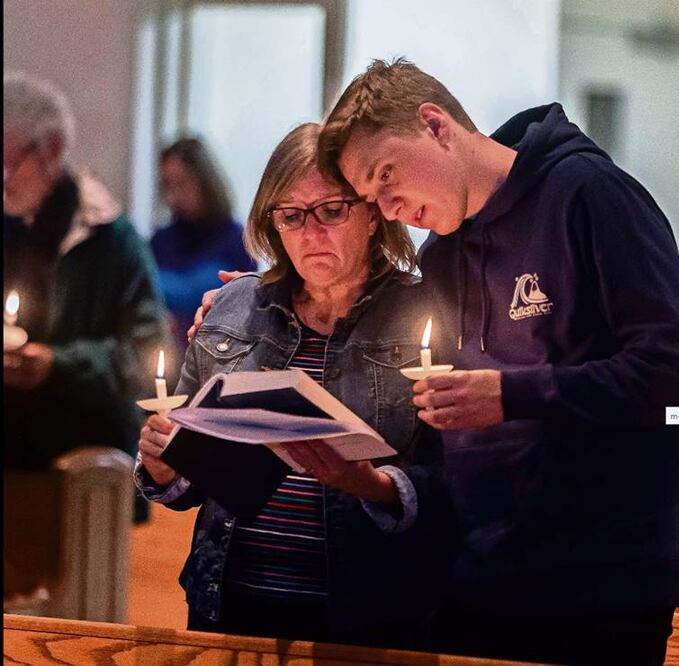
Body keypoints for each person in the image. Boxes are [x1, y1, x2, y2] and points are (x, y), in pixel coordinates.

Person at [314, 58, 679, 664]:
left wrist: (511, 394)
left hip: (599, 591)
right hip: (475, 584)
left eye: (386, 174)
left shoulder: (589, 194)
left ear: (435, 125)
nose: (390, 207)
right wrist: (274, 297)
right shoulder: (444, 255)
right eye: (373, 198)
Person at [134, 123, 455, 647]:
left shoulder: (426, 315)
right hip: (230, 609)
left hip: (365, 619)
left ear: (372, 213)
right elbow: (190, 481)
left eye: (332, 210)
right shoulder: (237, 308)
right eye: (291, 215)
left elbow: (455, 484)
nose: (311, 233)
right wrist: (163, 465)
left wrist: (374, 486)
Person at [3, 70, 168, 578]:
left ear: (50, 149)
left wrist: (57, 365)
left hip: (86, 472)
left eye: (7, 160)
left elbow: (142, 358)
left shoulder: (111, 241)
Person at [152, 137, 256, 353]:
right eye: (168, 185)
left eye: (181, 183)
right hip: (170, 355)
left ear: (204, 180)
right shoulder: (161, 241)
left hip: (219, 353)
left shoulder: (237, 240)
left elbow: (246, 311)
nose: (173, 197)